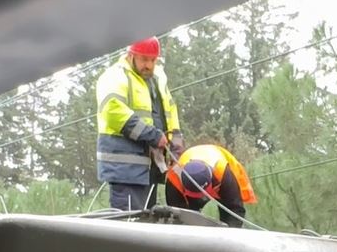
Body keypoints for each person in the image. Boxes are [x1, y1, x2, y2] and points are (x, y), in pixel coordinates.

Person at [95, 37, 184, 210]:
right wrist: (152, 135)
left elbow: (170, 110)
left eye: (153, 60)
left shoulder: (158, 78)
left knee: (145, 226)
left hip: (150, 168)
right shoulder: (115, 76)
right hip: (125, 169)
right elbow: (113, 111)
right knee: (128, 226)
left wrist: (177, 143)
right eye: (144, 59)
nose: (149, 65)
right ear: (131, 55)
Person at [165, 144, 257, 228]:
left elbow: (235, 209)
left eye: (202, 195)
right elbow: (178, 216)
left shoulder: (222, 172)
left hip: (219, 170)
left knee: (229, 216)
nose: (201, 197)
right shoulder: (174, 178)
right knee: (187, 216)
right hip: (187, 192)